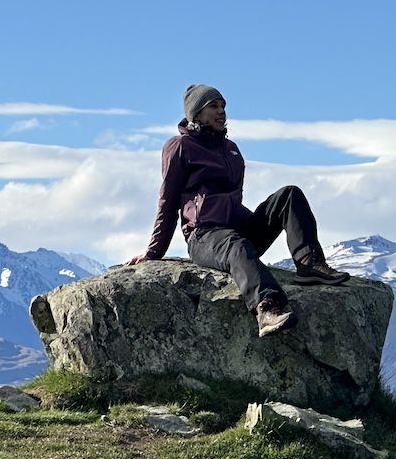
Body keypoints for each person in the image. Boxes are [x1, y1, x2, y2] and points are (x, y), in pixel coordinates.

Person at [127, 84, 349, 338]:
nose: (221, 112)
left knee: (290, 194)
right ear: (196, 114)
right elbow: (167, 201)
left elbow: (235, 197)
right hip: (205, 236)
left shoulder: (231, 149)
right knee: (237, 246)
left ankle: (309, 264)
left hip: (237, 229)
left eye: (223, 106)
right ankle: (267, 308)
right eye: (213, 106)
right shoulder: (180, 147)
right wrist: (154, 252)